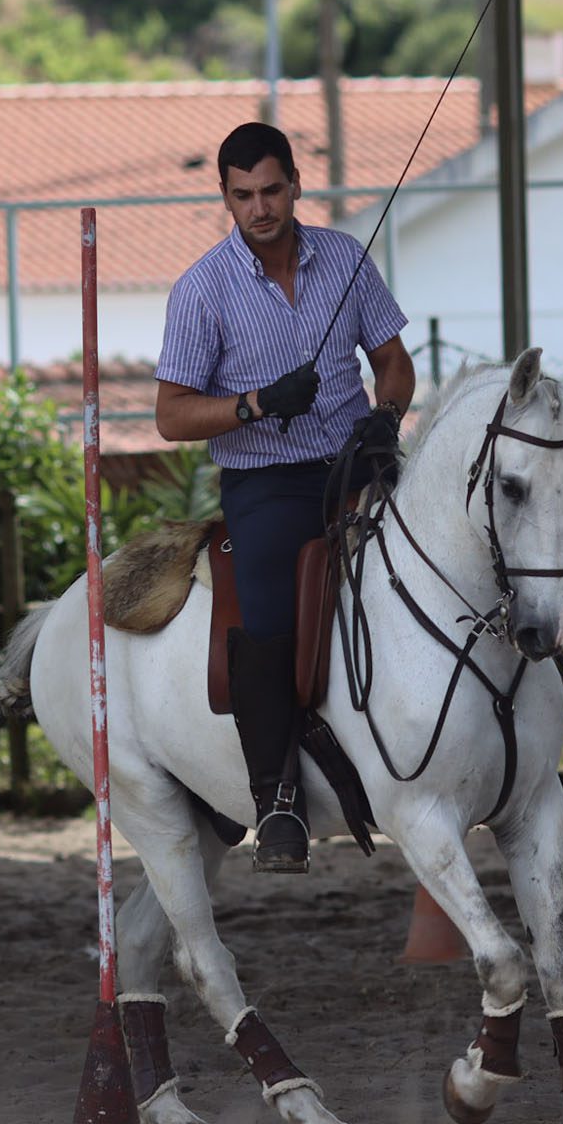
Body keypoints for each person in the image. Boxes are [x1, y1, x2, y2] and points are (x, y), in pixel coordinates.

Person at [154, 121, 416, 874]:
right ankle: (276, 798)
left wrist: (385, 417)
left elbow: (393, 362)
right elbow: (171, 414)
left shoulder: (345, 259)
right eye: (244, 196)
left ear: (297, 183)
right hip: (266, 481)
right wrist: (257, 402)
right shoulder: (203, 290)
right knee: (267, 598)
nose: (261, 207)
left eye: (272, 190)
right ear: (225, 199)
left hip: (357, 465)